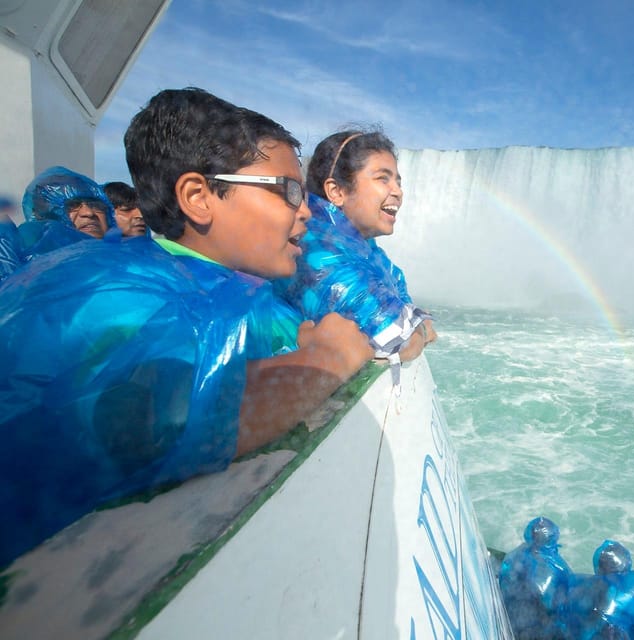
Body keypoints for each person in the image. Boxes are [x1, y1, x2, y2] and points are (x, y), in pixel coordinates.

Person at [0, 87, 373, 565]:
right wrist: (331, 357)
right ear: (199, 197)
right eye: (288, 190)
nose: (306, 210)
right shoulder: (116, 292)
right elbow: (157, 419)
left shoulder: (229, 288)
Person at [275, 129, 436, 369]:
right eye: (383, 178)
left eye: (398, 182)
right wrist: (422, 330)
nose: (398, 192)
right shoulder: (318, 251)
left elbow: (401, 303)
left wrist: (415, 327)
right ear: (337, 192)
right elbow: (395, 339)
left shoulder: (363, 248)